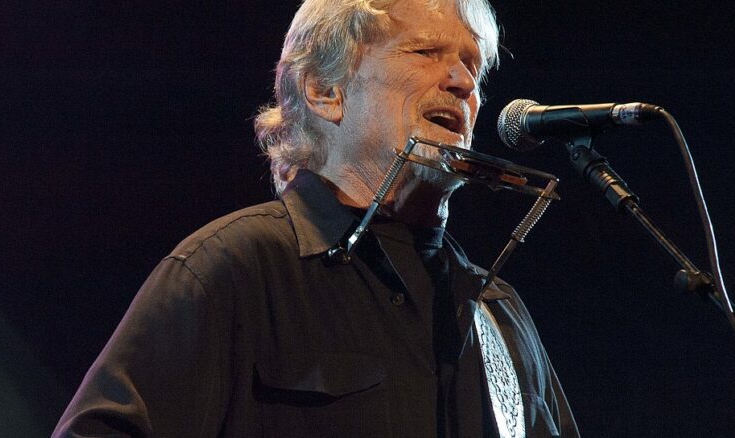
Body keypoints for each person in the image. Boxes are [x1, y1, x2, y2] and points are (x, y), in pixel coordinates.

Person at [54, 0, 579, 436]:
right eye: (425, 52)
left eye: (473, 67)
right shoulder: (236, 268)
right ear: (324, 91)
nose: (463, 82)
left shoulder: (500, 315)